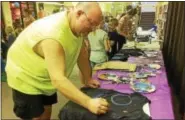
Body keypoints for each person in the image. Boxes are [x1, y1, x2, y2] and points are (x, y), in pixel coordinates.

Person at [5, 2, 109, 120]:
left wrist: (88, 78)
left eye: (96, 26)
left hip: (45, 78)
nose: (93, 29)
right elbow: (58, 80)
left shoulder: (76, 26)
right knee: (35, 116)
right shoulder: (54, 35)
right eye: (91, 24)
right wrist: (89, 103)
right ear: (79, 14)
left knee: (46, 112)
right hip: (25, 77)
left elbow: (81, 52)